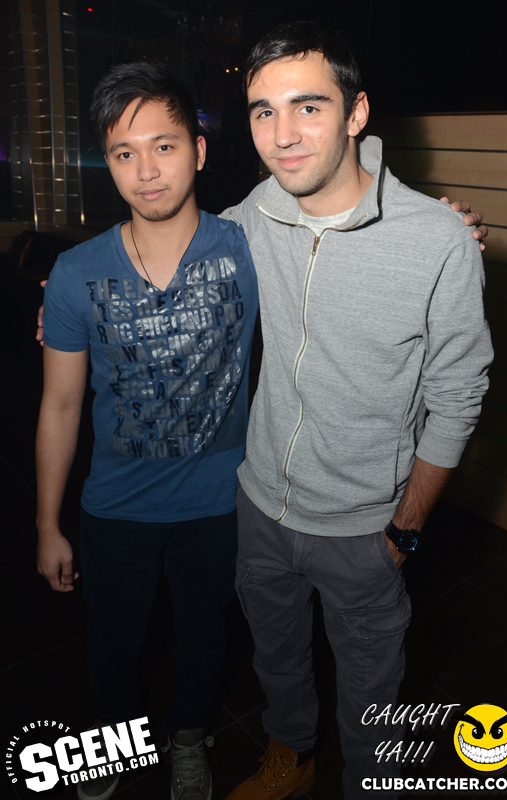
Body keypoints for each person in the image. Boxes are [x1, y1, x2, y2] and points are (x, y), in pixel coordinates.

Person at [220, 22, 493, 800]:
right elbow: (174, 251)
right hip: (261, 507)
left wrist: (404, 528)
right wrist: (76, 289)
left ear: (356, 112)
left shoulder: (435, 240)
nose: (282, 134)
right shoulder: (256, 210)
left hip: (364, 528)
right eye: (263, 111)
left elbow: (457, 397)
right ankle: (290, 754)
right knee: (277, 658)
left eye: (308, 106)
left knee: (373, 694)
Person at [35, 61, 258, 800]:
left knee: (205, 638)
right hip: (115, 508)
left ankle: (189, 739)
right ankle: (113, 746)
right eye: (124, 153)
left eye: (163, 146)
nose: (146, 170)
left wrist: (440, 224)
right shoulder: (75, 273)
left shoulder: (249, 249)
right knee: (113, 645)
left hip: (220, 505)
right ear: (107, 163)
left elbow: (340, 225)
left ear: (198, 149)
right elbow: (60, 406)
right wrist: (47, 524)